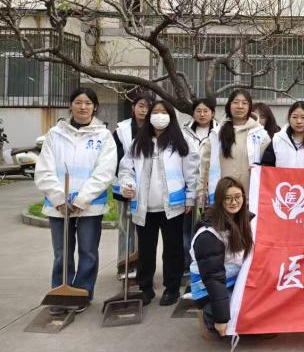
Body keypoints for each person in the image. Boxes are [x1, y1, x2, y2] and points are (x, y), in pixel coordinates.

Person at [35, 88, 118, 312]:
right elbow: (44, 169)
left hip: (89, 206)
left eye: (88, 103)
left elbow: (105, 171)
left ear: (95, 107)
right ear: (70, 105)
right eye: (78, 102)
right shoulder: (55, 134)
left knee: (88, 251)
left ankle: (82, 293)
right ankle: (61, 294)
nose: (83, 107)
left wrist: (82, 199)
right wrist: (58, 198)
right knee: (62, 253)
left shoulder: (103, 136)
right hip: (58, 205)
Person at [119, 100, 200, 306]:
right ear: (149, 117)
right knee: (146, 250)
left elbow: (192, 172)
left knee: (173, 250)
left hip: (172, 206)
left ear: (171, 117)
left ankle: (171, 288)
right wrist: (127, 185)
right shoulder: (139, 142)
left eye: (164, 112)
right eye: (155, 112)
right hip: (144, 206)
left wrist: (190, 197)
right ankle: (145, 287)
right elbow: (126, 169)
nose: (159, 116)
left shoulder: (181, 142)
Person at [190, 176, 253, 339]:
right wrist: (222, 318)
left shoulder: (245, 220)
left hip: (236, 280)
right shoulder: (208, 235)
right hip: (210, 288)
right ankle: (210, 317)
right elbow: (214, 279)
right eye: (228, 198)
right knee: (245, 312)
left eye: (238, 197)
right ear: (219, 200)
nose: (234, 202)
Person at [198, 89, 270, 207]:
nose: (240, 106)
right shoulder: (217, 133)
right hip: (222, 196)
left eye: (244, 103)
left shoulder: (260, 134)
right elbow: (205, 164)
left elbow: (268, 166)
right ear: (229, 106)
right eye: (235, 102)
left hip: (249, 197)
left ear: (249, 107)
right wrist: (201, 189)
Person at [112, 93, 153, 279]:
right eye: (141, 106)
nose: (144, 110)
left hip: (149, 188)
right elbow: (115, 159)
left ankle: (141, 266)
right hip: (125, 186)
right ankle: (124, 265)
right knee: (125, 227)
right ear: (133, 108)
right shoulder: (120, 131)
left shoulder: (156, 130)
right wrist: (127, 182)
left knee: (144, 229)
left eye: (148, 107)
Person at [182, 97, 219, 276]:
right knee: (186, 228)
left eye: (206, 111)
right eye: (198, 111)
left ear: (213, 113)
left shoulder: (219, 132)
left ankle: (206, 265)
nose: (202, 114)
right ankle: (187, 265)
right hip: (187, 185)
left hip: (210, 186)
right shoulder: (184, 132)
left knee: (209, 227)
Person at [262, 101, 304, 168]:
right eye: (294, 117)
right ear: (289, 118)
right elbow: (267, 165)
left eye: (303, 117)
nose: (299, 121)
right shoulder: (277, 138)